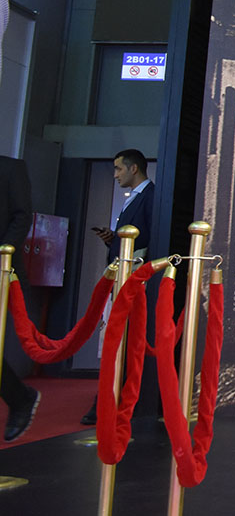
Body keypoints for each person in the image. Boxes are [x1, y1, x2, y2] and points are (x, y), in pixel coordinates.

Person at [82, 148, 154, 425]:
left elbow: (147, 239)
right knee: (116, 338)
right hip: (123, 279)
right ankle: (108, 397)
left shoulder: (149, 197)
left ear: (133, 168)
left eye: (118, 169)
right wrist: (112, 240)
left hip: (133, 282)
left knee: (120, 339)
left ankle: (108, 399)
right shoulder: (133, 198)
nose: (115, 175)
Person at [1, 155, 40, 442]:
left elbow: (21, 216)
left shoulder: (10, 168)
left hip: (3, 271)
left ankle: (20, 398)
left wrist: (2, 256)